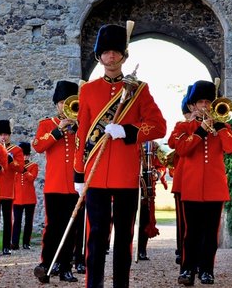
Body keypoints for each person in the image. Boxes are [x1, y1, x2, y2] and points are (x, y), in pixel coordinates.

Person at [74, 22, 166, 288]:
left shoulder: (139, 89)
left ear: (124, 56)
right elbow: (82, 135)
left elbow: (159, 126)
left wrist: (127, 131)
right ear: (99, 56)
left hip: (126, 176)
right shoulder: (88, 91)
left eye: (116, 52)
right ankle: (94, 285)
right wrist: (79, 173)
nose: (111, 57)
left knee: (124, 238)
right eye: (106, 52)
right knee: (97, 236)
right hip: (96, 175)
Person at [172, 80, 232, 285]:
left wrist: (219, 127)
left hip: (215, 189)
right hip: (190, 188)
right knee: (190, 233)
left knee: (210, 234)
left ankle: (207, 270)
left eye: (208, 102)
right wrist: (200, 130)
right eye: (200, 102)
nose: (205, 106)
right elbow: (182, 149)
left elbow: (231, 148)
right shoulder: (183, 126)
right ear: (192, 106)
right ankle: (187, 270)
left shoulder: (223, 127)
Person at [32, 80, 79, 283]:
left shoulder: (81, 125)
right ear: (56, 104)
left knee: (71, 228)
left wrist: (77, 129)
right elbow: (38, 146)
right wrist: (58, 130)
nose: (64, 106)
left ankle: (67, 266)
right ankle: (48, 264)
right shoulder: (46, 124)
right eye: (61, 102)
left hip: (74, 185)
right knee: (53, 228)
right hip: (54, 185)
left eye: (67, 101)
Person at [168, 91, 192, 269]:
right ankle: (183, 252)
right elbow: (171, 143)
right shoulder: (181, 125)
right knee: (184, 224)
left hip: (199, 182)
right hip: (182, 182)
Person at [0, 119, 24, 255]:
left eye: (6, 134)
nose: (3, 137)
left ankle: (6, 246)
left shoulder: (16, 150)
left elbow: (20, 168)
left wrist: (10, 160)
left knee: (8, 220)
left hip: (7, 190)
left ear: (9, 135)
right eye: (1, 134)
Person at [137, 141, 166, 261]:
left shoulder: (154, 146)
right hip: (130, 185)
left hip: (146, 189)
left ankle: (142, 249)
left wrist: (157, 174)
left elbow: (162, 165)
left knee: (145, 220)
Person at [11, 142, 38, 250]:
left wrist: (24, 170)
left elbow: (32, 178)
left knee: (28, 222)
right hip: (17, 198)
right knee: (17, 221)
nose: (24, 157)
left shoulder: (33, 166)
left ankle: (26, 243)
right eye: (22, 155)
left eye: (26, 154)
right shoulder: (15, 167)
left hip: (30, 199)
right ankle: (15, 243)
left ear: (28, 155)